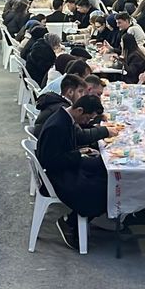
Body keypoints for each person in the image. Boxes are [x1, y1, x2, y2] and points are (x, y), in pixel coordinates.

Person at [36, 94, 109, 249]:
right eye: (87, 118)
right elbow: (50, 161)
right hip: (58, 176)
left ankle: (92, 216)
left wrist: (81, 152)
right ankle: (70, 222)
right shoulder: (57, 125)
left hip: (66, 166)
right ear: (79, 110)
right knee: (103, 188)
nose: (87, 122)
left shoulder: (64, 118)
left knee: (103, 169)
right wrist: (78, 154)